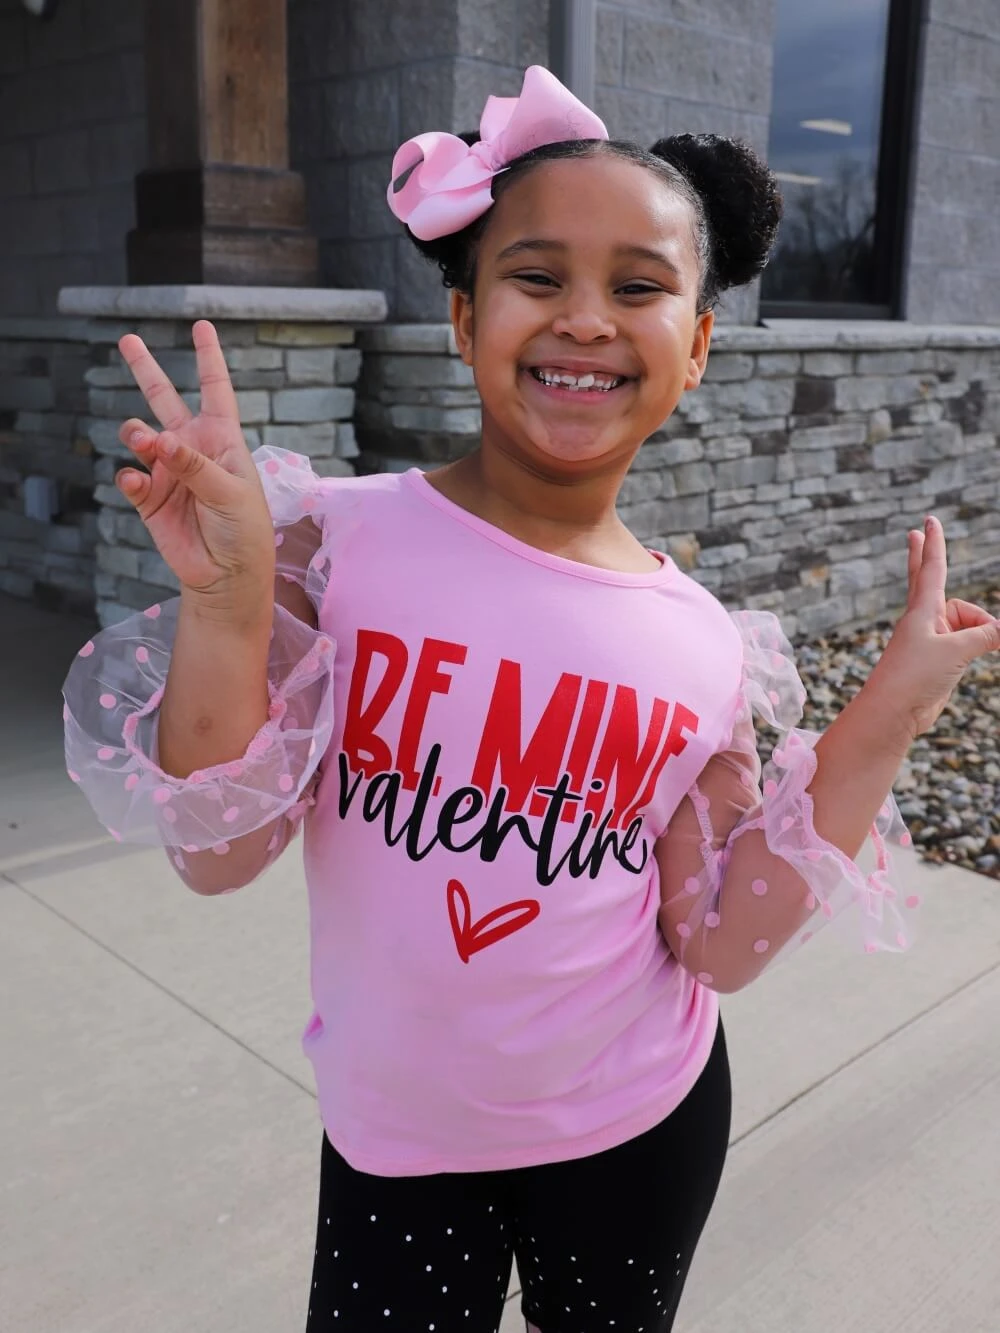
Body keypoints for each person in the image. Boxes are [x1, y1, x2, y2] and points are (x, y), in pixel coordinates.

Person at [63, 65, 1000, 1333]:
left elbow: (716, 941)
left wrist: (891, 704)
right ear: (464, 319)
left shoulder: (706, 648)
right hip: (398, 1146)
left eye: (639, 287)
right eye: (538, 276)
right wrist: (229, 606)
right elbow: (218, 854)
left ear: (697, 346)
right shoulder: (330, 546)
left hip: (637, 1131)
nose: (585, 320)